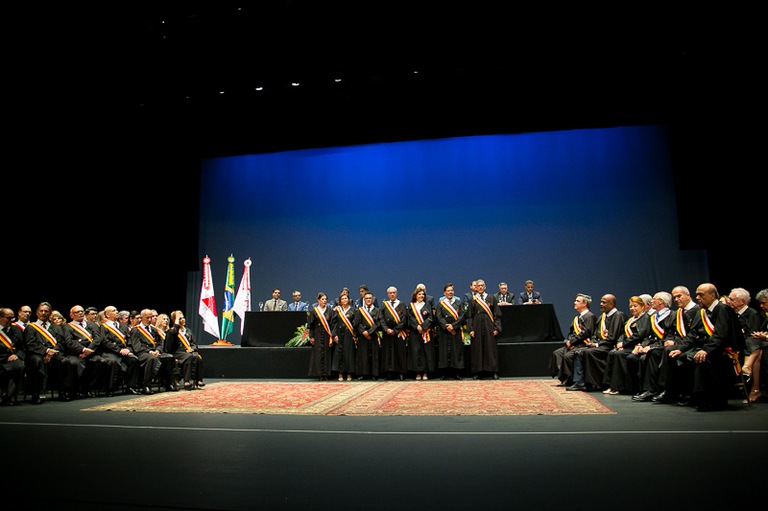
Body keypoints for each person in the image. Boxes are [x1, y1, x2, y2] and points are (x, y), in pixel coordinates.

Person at [681, 283, 745, 411]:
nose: (697, 297)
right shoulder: (704, 312)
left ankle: (712, 400)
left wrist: (705, 350)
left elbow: (721, 335)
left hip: (726, 351)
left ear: (712, 295)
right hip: (713, 348)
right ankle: (693, 395)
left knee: (703, 359)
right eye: (697, 295)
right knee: (682, 357)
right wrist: (680, 348)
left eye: (701, 295)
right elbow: (694, 334)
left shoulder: (722, 309)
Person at [652, 285, 702, 405]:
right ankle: (667, 390)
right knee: (667, 350)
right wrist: (670, 340)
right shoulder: (677, 313)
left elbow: (695, 333)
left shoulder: (698, 310)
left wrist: (679, 345)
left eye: (679, 296)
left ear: (688, 295)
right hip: (681, 343)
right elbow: (671, 331)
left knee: (673, 353)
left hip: (693, 344)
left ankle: (679, 392)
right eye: (674, 297)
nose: (676, 299)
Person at [567, 294, 626, 391]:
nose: (601, 304)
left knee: (588, 352)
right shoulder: (602, 317)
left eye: (604, 302)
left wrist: (597, 344)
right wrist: (592, 342)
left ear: (611, 304)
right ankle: (580, 381)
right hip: (601, 345)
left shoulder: (618, 316)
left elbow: (613, 337)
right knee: (579, 351)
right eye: (601, 302)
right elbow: (595, 334)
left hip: (609, 345)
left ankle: (593, 382)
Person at [631, 292, 676, 401]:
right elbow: (649, 336)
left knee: (652, 353)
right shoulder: (653, 317)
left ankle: (652, 389)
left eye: (654, 299)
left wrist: (651, 347)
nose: (652, 301)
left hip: (664, 346)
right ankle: (644, 389)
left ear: (661, 301)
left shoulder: (672, 315)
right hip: (654, 345)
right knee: (637, 356)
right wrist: (642, 345)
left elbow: (670, 337)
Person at [602, 296, 652, 395]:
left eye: (635, 306)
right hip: (627, 345)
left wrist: (624, 344)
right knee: (612, 353)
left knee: (619, 355)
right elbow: (622, 333)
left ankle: (618, 386)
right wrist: (620, 342)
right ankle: (609, 385)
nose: (632, 308)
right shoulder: (631, 320)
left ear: (642, 306)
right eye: (630, 306)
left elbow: (639, 335)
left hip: (636, 345)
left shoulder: (645, 318)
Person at [23, 302, 67, 404]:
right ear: (37, 313)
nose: (43, 313)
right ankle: (35, 394)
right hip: (37, 354)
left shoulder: (56, 327)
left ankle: (63, 392)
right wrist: (46, 351)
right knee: (37, 361)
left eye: (46, 311)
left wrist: (53, 352)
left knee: (64, 361)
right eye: (41, 311)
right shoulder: (31, 327)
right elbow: (30, 344)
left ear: (50, 313)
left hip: (54, 353)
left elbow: (61, 342)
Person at [549, 293, 596, 386]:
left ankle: (571, 379)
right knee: (557, 353)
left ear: (584, 304)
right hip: (574, 344)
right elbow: (571, 332)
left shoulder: (589, 316)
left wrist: (572, 342)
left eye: (577, 301)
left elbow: (586, 333)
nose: (574, 302)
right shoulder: (577, 318)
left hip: (583, 345)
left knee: (567, 356)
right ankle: (564, 378)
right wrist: (569, 341)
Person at [61, 304, 104, 399]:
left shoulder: (92, 325)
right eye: (77, 312)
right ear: (71, 315)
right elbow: (69, 342)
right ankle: (77, 389)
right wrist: (83, 350)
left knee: (100, 361)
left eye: (82, 311)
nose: (80, 313)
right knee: (76, 363)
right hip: (75, 353)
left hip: (90, 352)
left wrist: (88, 351)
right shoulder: (67, 327)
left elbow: (97, 339)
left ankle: (88, 388)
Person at [99, 305, 140, 396]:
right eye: (114, 310)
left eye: (116, 310)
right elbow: (105, 342)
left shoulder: (123, 326)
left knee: (134, 360)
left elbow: (129, 340)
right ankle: (110, 388)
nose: (117, 312)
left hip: (124, 351)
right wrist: (119, 350)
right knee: (113, 362)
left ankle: (130, 387)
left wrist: (128, 349)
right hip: (110, 352)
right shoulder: (103, 327)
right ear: (107, 315)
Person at [466, 279, 502, 380]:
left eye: (482, 285)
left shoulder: (491, 298)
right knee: (477, 350)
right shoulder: (473, 300)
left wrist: (497, 328)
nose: (480, 287)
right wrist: (470, 329)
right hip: (476, 327)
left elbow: (497, 314)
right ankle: (477, 372)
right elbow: (469, 316)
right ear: (476, 288)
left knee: (491, 349)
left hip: (489, 327)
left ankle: (493, 371)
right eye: (478, 286)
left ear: (485, 287)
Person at [127, 309, 167, 394]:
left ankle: (168, 384)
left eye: (151, 317)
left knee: (169, 357)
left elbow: (160, 343)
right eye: (147, 318)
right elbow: (137, 346)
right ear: (141, 318)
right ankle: (146, 385)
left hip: (155, 352)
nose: (149, 320)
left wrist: (157, 350)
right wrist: (150, 352)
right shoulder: (136, 330)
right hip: (142, 353)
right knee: (151, 359)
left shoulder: (154, 330)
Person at [435, 283, 466, 380]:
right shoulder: (441, 304)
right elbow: (439, 317)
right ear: (444, 293)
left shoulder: (458, 303)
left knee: (456, 351)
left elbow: (462, 316)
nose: (450, 292)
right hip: (444, 331)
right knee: (444, 351)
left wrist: (453, 326)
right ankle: (444, 373)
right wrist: (446, 326)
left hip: (455, 330)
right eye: (448, 291)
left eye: (451, 290)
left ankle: (457, 373)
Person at [166, 310, 204, 390]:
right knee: (189, 357)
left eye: (183, 318)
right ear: (175, 320)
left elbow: (193, 343)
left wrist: (192, 349)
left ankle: (198, 380)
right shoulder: (172, 331)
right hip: (177, 352)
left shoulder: (188, 331)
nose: (183, 320)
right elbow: (170, 346)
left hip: (187, 352)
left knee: (197, 357)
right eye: (180, 318)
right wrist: (176, 323)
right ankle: (187, 381)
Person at [742, 288, 768, 403]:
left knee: (756, 344)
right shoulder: (761, 315)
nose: (761, 306)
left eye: (764, 303)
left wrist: (766, 337)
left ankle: (747, 367)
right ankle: (755, 389)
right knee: (755, 344)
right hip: (761, 344)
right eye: (760, 303)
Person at [407, 287, 435, 380]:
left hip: (426, 332)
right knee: (416, 352)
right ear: (415, 295)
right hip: (415, 333)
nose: (421, 296)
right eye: (419, 294)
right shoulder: (411, 305)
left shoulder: (427, 305)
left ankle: (425, 373)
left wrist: (423, 327)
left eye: (423, 294)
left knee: (426, 352)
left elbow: (430, 318)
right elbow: (410, 317)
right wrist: (417, 326)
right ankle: (417, 372)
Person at [379, 286, 408, 380]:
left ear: (397, 294)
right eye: (390, 293)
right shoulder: (384, 305)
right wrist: (386, 329)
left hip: (398, 333)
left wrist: (395, 330)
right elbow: (381, 318)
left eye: (394, 292)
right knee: (388, 353)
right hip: (387, 333)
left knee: (399, 353)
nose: (392, 294)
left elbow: (403, 319)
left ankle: (400, 373)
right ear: (388, 294)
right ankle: (388, 373)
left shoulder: (401, 304)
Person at [0, 307, 25, 405]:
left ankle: (9, 396)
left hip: (11, 358)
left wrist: (17, 355)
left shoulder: (16, 329)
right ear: (0, 317)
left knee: (19, 367)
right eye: (8, 318)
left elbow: (22, 347)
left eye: (12, 318)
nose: (11, 320)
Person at [354, 291, 381, 380]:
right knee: (363, 355)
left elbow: (378, 323)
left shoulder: (377, 310)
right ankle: (363, 373)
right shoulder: (360, 310)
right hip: (362, 336)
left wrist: (369, 332)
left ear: (373, 299)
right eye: (366, 298)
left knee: (374, 355)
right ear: (364, 300)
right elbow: (357, 323)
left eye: (370, 298)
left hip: (373, 335)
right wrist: (364, 332)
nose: (368, 300)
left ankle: (374, 374)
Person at [308, 292, 335, 381]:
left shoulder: (330, 310)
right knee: (318, 354)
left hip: (327, 335)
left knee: (327, 354)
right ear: (318, 300)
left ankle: (326, 374)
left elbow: (333, 324)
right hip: (317, 334)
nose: (324, 301)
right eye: (322, 299)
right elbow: (310, 325)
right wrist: (311, 336)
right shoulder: (314, 311)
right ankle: (319, 374)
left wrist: (332, 336)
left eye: (325, 299)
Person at [331, 293, 356, 381]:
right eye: (342, 299)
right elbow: (334, 323)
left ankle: (349, 373)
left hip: (349, 334)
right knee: (339, 353)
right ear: (340, 301)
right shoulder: (337, 310)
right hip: (339, 333)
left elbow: (355, 323)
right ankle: (340, 373)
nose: (344, 300)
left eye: (346, 298)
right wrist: (334, 335)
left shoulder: (353, 310)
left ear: (348, 300)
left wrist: (355, 335)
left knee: (348, 353)